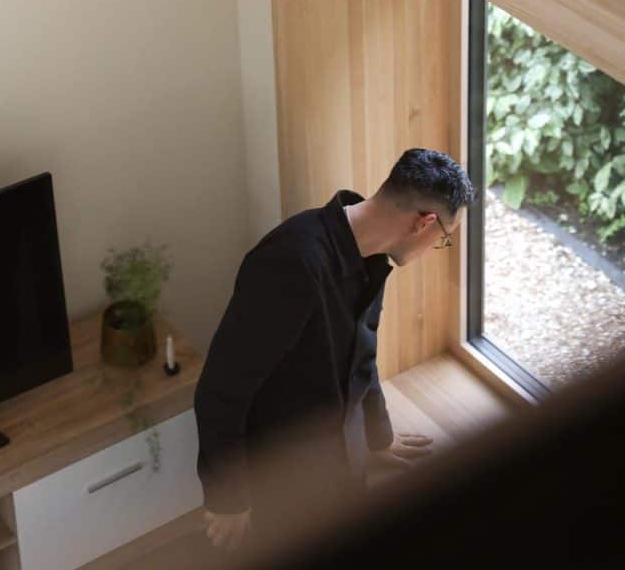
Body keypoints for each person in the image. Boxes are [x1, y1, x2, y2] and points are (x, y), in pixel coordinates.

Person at [193, 148, 476, 559]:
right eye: (444, 239)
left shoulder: (374, 256)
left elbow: (362, 356)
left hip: (344, 462)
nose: (439, 246)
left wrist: (379, 437)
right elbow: (220, 391)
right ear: (423, 222)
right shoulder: (290, 264)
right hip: (282, 475)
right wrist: (228, 499)